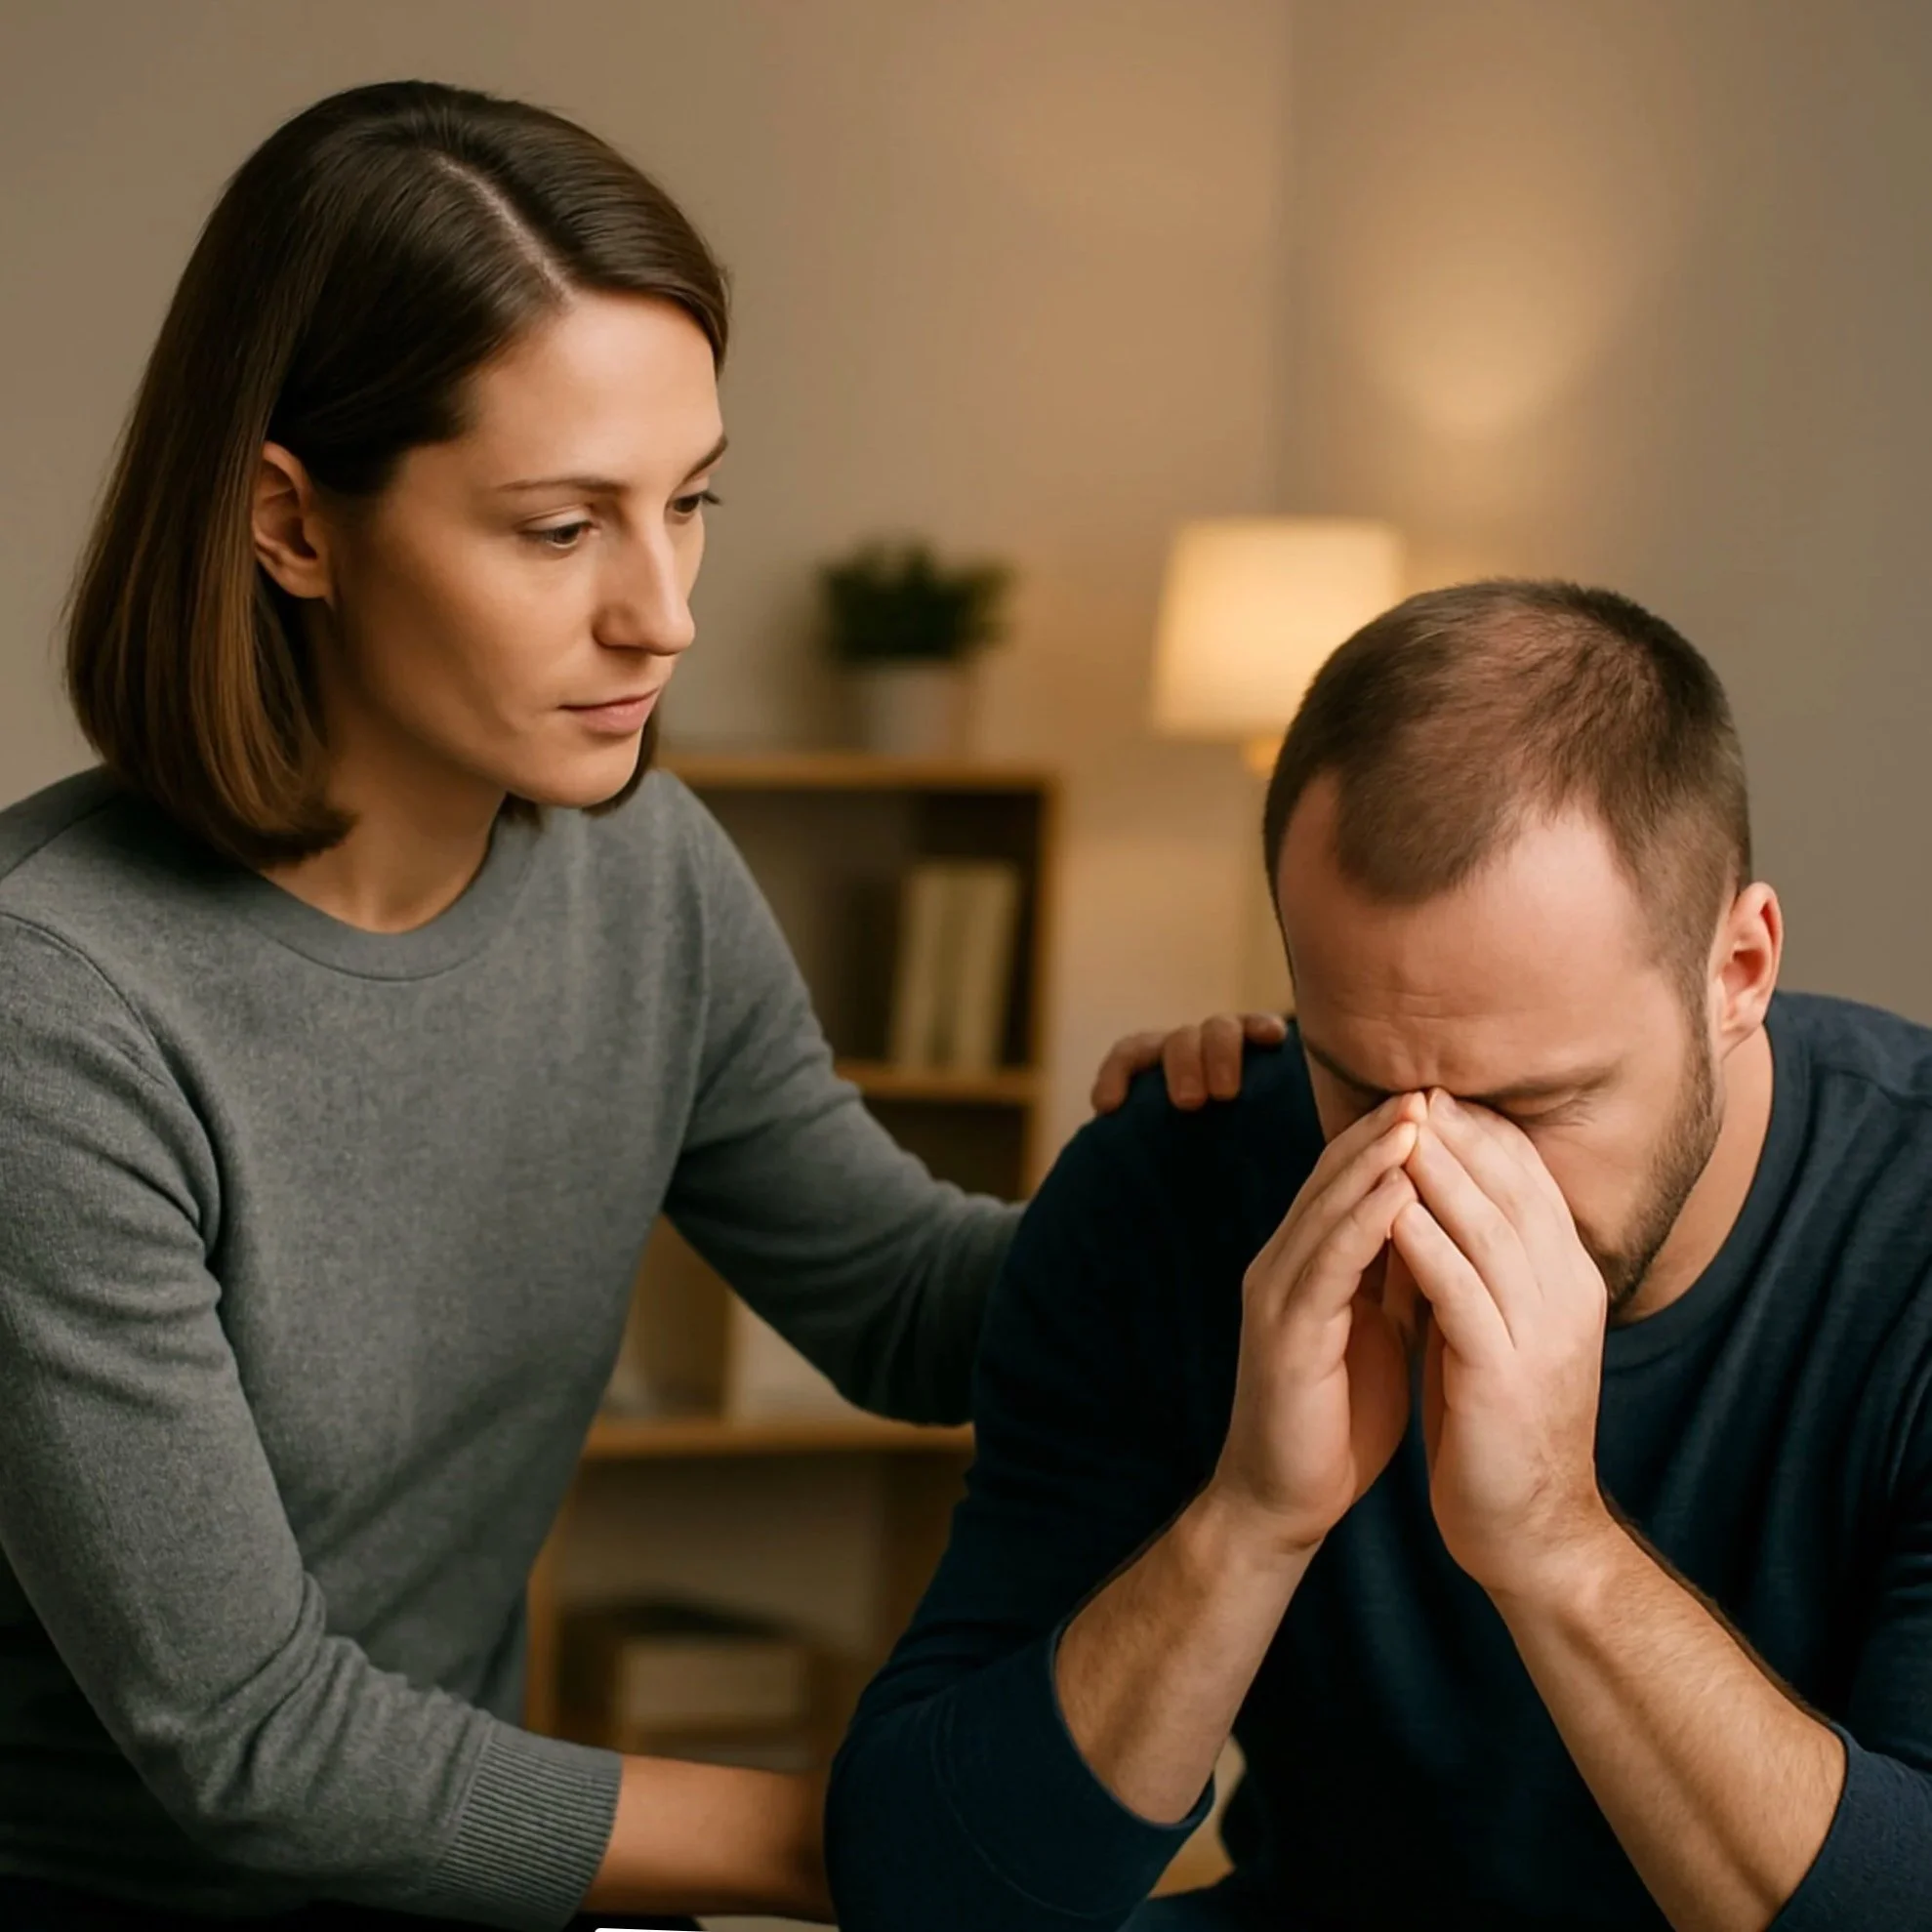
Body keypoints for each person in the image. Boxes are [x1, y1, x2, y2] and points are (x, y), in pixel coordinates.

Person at [0, 78, 1277, 1932]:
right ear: (291, 522)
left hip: (435, 1883)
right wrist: (888, 1846)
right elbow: (257, 1743)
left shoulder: (639, 869)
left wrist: (1211, 1184)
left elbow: (907, 1309)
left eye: (686, 504)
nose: (663, 611)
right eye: (556, 527)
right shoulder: (60, 1009)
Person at [826, 578, 1932, 1931]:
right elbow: (922, 1890)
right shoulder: (1179, 1177)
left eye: (1530, 1104)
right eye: (1359, 1081)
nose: (1427, 1177)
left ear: (1738, 970)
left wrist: (1555, 1544)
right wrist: (1249, 1517)